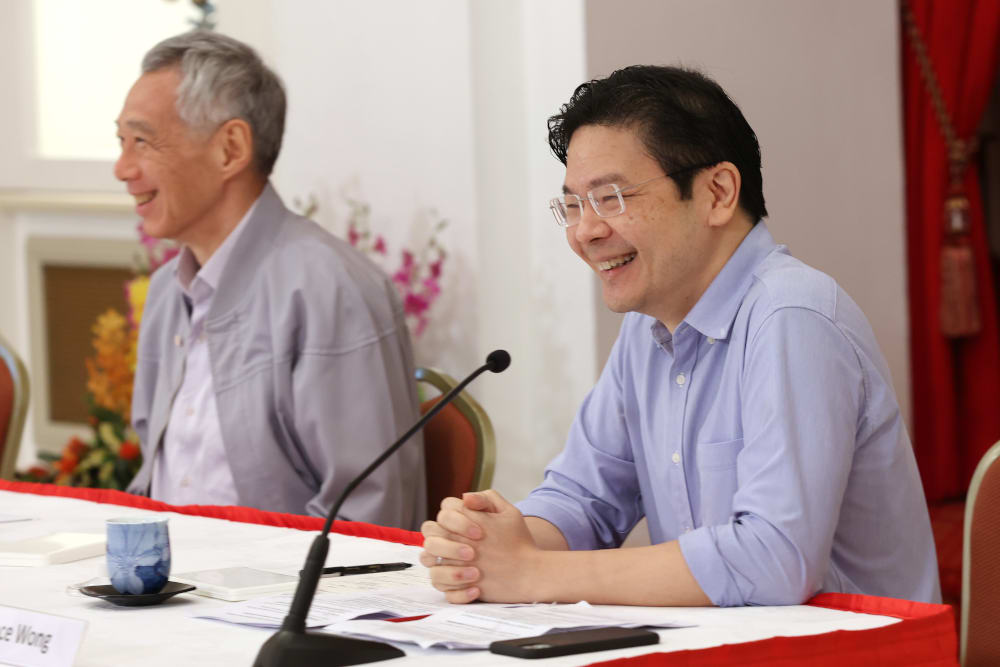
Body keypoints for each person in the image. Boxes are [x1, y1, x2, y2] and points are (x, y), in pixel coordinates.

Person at [421, 65, 941, 606]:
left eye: (612, 198)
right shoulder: (647, 329)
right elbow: (585, 499)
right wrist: (488, 546)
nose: (586, 231)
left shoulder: (792, 316)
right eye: (574, 205)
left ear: (717, 192)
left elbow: (774, 559)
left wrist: (531, 574)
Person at [117, 31, 425, 529]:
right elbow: (154, 482)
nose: (122, 168)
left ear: (230, 149)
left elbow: (368, 518)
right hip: (173, 591)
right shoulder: (164, 293)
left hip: (283, 599)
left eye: (142, 141)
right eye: (121, 142)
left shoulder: (332, 290)